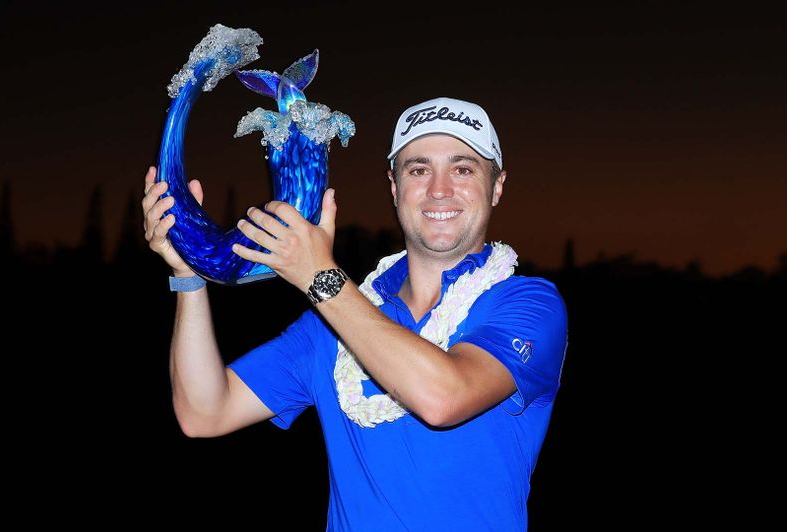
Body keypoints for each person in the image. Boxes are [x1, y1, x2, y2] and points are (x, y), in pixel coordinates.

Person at [142, 96, 568, 530]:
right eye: (418, 170)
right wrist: (188, 276)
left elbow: (443, 399)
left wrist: (318, 276)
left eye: (463, 169)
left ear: (496, 187)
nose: (439, 189)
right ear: (394, 187)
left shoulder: (528, 304)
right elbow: (204, 412)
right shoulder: (332, 325)